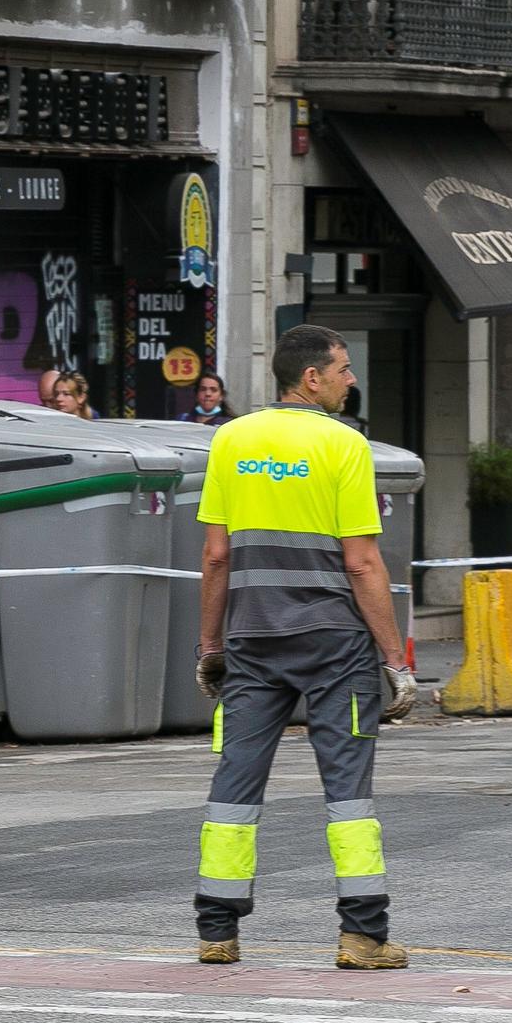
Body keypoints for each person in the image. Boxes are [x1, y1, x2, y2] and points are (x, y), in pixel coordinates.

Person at [193, 324, 418, 970]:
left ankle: (216, 929)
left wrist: (211, 645)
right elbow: (364, 564)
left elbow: (216, 556)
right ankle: (363, 935)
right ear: (311, 378)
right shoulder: (344, 444)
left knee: (235, 783)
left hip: (253, 639)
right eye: (343, 369)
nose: (352, 379)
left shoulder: (230, 440)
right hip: (333, 643)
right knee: (347, 793)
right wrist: (394, 661)